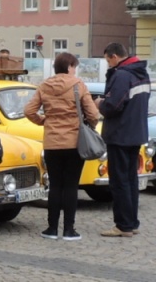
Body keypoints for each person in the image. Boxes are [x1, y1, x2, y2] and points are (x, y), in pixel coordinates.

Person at [23, 52, 99, 241]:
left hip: (51, 143)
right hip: (74, 143)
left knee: (55, 185)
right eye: (75, 66)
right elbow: (93, 114)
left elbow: (28, 110)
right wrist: (88, 123)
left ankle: (51, 228)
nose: (75, 70)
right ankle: (69, 230)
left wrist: (43, 121)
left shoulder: (44, 86)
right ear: (70, 67)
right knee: (71, 185)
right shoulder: (78, 85)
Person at [97, 42, 150, 237]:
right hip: (136, 133)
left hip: (120, 134)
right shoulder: (141, 74)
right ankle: (132, 222)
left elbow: (113, 105)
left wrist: (99, 104)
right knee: (130, 180)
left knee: (119, 181)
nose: (108, 64)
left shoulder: (122, 75)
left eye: (107, 60)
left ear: (114, 57)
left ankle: (123, 225)